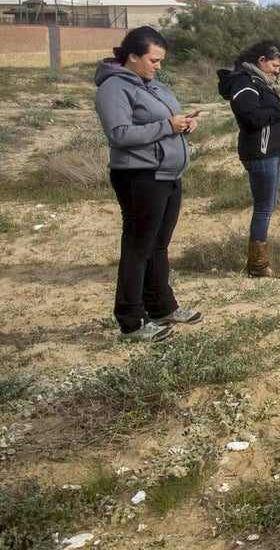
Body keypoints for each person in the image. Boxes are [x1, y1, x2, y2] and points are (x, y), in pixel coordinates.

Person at [95, 26, 203, 342]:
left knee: (159, 245)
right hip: (139, 177)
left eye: (160, 61)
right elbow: (119, 134)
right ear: (132, 56)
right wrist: (167, 126)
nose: (158, 66)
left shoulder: (151, 85)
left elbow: (161, 126)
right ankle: (131, 321)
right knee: (137, 248)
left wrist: (182, 125)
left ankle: (161, 306)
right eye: (153, 60)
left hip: (167, 175)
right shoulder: (114, 88)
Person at [216, 40, 280, 278]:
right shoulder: (244, 83)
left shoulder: (258, 81)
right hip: (260, 153)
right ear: (261, 61)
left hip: (269, 152)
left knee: (267, 206)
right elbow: (252, 118)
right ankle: (258, 266)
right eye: (274, 65)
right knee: (264, 208)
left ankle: (259, 262)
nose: (277, 70)